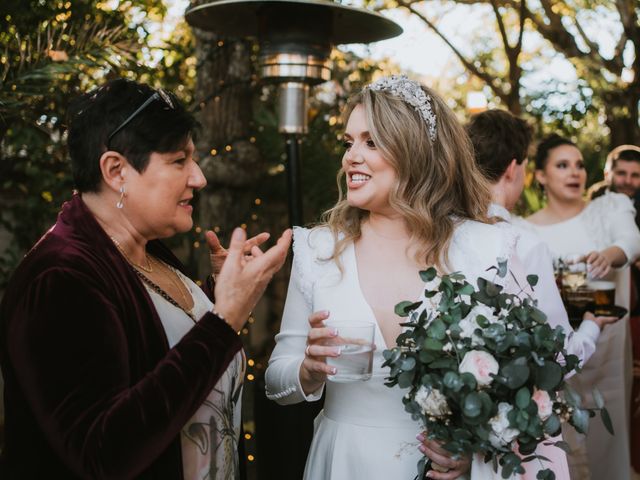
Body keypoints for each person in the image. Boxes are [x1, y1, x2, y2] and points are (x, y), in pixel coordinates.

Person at [264, 76, 566, 479]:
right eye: (348, 142)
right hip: (343, 461)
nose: (351, 156)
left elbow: (526, 384)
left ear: (416, 152)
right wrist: (306, 370)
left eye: (371, 142)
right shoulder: (319, 251)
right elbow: (275, 381)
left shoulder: (484, 248)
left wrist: (472, 457)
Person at [0, 79, 292, 479]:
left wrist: (215, 295)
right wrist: (223, 321)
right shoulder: (59, 278)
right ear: (116, 170)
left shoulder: (146, 250)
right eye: (179, 160)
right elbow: (103, 454)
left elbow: (157, 346)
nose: (199, 177)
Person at [522, 134, 640, 480]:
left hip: (609, 350)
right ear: (540, 176)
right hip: (560, 350)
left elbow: (632, 241)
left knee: (611, 435)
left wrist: (609, 255)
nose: (575, 173)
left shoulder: (610, 208)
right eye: (562, 165)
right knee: (559, 441)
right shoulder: (525, 230)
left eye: (578, 165)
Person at [466, 109, 617, 366]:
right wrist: (591, 327)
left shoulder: (446, 230)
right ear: (513, 169)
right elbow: (559, 356)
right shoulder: (523, 244)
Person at [588, 144, 640, 476]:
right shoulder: (590, 206)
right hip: (610, 310)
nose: (628, 180)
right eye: (622, 173)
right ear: (609, 173)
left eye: (635, 175)